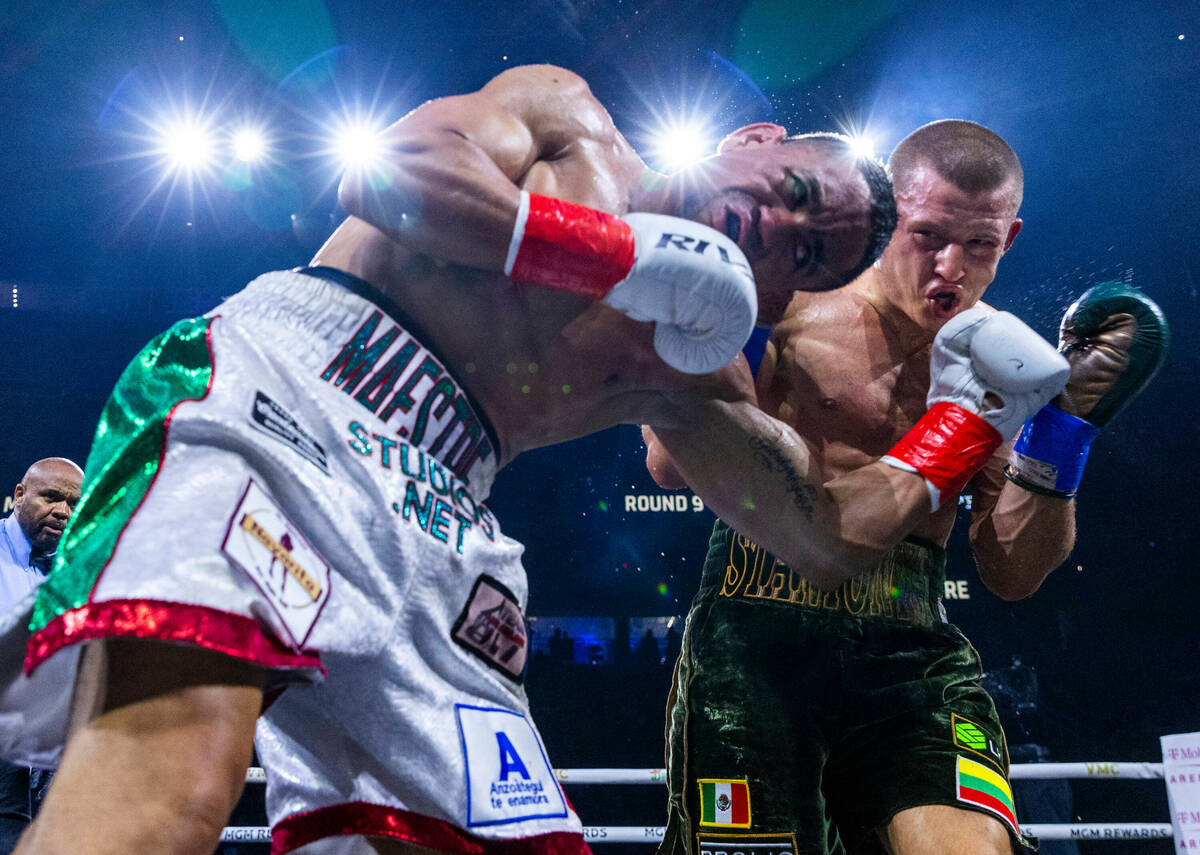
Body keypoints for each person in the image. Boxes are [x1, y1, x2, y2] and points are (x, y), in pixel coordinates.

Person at [8, 66, 1058, 855]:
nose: (776, 226)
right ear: (751, 136)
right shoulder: (571, 125)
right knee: (178, 778)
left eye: (805, 253)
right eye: (787, 189)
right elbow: (384, 173)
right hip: (293, 389)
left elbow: (820, 535)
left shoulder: (684, 366)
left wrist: (962, 421)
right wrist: (607, 250)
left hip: (445, 516)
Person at [644, 120, 1168, 855]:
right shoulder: (791, 305)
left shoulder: (1011, 366)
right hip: (758, 628)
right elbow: (673, 463)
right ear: (890, 214)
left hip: (910, 641)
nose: (950, 266)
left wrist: (1061, 435)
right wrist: (737, 304)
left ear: (1009, 238)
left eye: (979, 245)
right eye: (928, 236)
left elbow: (1013, 570)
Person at [0, 459, 81, 854]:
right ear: (19, 495)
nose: (63, 512)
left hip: (47, 736)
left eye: (72, 504)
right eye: (51, 497)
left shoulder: (69, 572)